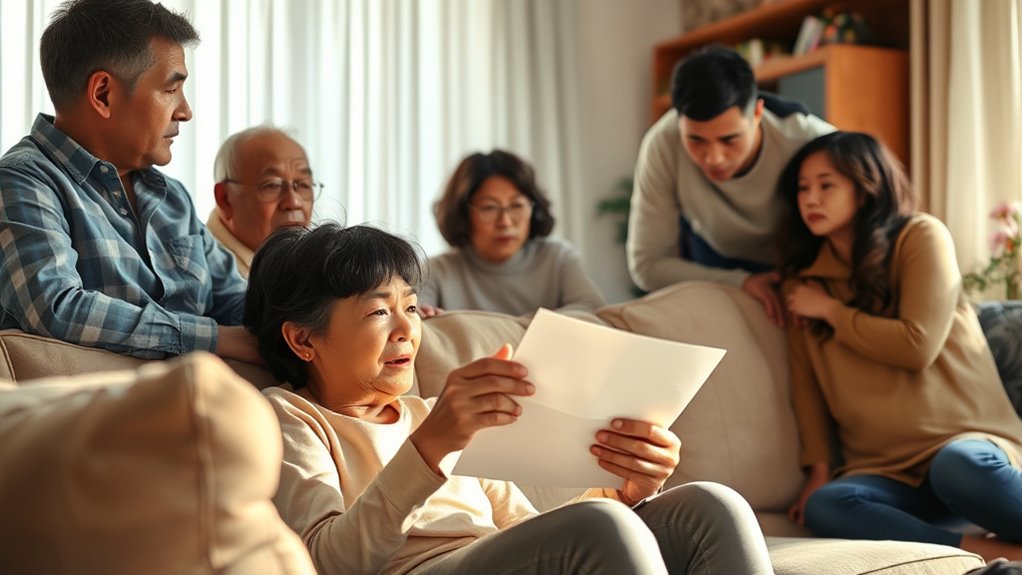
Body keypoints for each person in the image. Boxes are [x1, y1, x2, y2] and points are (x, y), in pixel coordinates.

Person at [243, 222, 774, 575]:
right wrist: (429, 449)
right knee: (601, 526)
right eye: (379, 311)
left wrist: (623, 492)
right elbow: (327, 561)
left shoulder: (431, 414)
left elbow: (525, 530)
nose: (406, 328)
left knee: (709, 504)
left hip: (488, 557)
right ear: (303, 339)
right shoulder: (289, 416)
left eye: (410, 305)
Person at [778, 131, 1022, 561]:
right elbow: (806, 385)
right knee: (827, 505)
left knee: (957, 467)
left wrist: (832, 311)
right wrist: (817, 471)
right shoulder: (803, 284)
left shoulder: (920, 238)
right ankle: (987, 552)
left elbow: (918, 345)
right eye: (803, 187)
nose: (810, 198)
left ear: (866, 185)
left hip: (964, 443)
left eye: (826, 184)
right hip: (888, 470)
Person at [0, 0, 258, 362]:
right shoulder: (24, 180)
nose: (185, 111)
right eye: (171, 89)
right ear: (103, 94)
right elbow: (55, 306)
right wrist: (213, 339)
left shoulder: (172, 198)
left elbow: (234, 299)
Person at [627, 45, 834, 326]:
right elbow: (647, 265)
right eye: (696, 140)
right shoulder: (662, 143)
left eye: (729, 139)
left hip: (797, 260)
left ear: (758, 113)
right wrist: (739, 281)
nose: (713, 159)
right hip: (712, 258)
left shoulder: (810, 139)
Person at [419, 150, 606, 317]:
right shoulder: (437, 271)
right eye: (489, 208)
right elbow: (414, 317)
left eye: (517, 205)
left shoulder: (558, 258)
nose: (505, 222)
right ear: (463, 215)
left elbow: (594, 310)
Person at [208, 126, 319, 278]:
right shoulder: (202, 275)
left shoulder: (306, 265)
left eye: (303, 184)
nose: (293, 202)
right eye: (272, 185)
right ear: (225, 199)